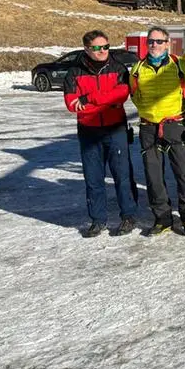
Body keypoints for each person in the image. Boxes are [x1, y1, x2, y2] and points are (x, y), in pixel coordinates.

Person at [64, 30, 138, 237]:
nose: (103, 51)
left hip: (116, 130)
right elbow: (72, 105)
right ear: (87, 49)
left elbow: (123, 94)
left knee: (122, 175)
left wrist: (90, 99)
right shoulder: (74, 73)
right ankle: (98, 220)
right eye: (97, 47)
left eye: (106, 46)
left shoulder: (118, 68)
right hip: (89, 132)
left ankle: (128, 216)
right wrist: (107, 101)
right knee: (93, 178)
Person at [129, 26, 185, 236]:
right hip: (148, 127)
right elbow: (134, 93)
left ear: (167, 43)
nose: (154, 45)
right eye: (151, 41)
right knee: (153, 177)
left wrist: (182, 115)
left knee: (184, 174)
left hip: (174, 126)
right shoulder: (137, 68)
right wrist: (146, 112)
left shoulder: (180, 66)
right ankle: (163, 219)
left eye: (159, 41)